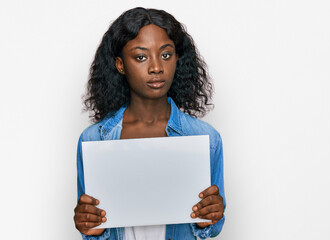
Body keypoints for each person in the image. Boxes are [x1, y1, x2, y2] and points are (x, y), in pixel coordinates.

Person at [74, 7, 225, 240]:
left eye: (165, 55)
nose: (156, 68)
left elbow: (211, 226)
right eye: (141, 57)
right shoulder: (94, 139)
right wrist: (89, 225)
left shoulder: (206, 139)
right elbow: (93, 231)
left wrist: (213, 215)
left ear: (177, 58)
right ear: (120, 64)